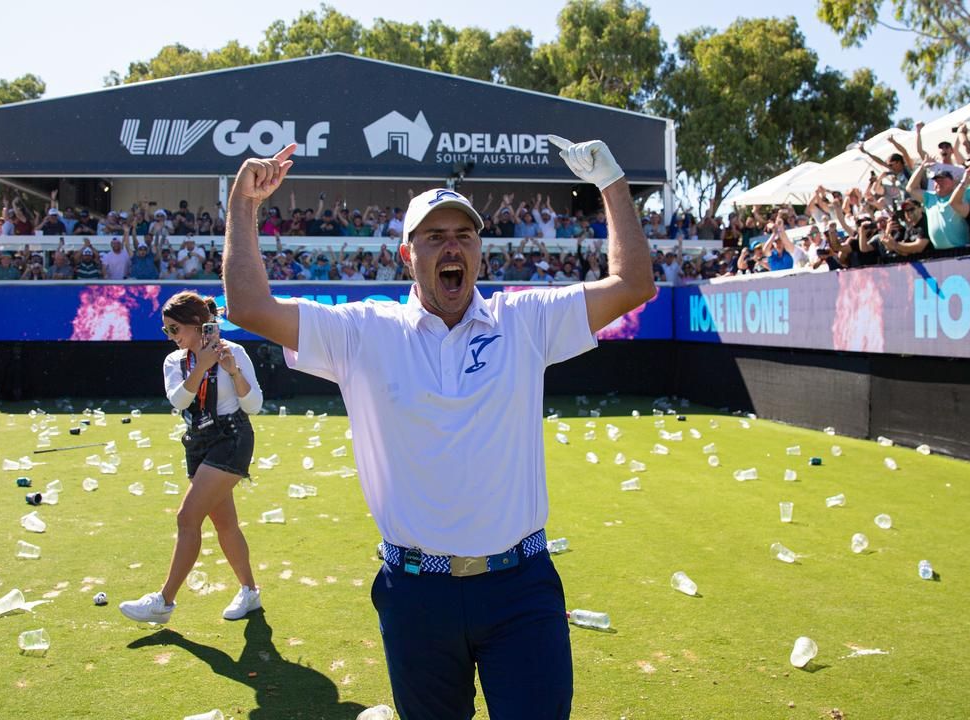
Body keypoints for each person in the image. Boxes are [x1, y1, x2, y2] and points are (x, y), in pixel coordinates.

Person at [221, 136, 654, 719]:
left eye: (465, 235)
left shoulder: (524, 321)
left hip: (520, 586)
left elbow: (634, 285)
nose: (453, 247)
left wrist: (612, 181)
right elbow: (247, 306)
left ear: (480, 251)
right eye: (435, 237)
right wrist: (242, 205)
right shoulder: (363, 332)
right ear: (408, 255)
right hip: (416, 593)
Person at [119, 291, 264, 624]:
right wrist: (202, 365)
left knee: (187, 518)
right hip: (198, 442)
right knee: (226, 525)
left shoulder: (235, 351)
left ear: (197, 325)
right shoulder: (176, 361)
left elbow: (254, 405)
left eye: (174, 329)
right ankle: (250, 592)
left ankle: (164, 601)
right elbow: (180, 401)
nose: (171, 337)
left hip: (232, 437)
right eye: (167, 330)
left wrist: (231, 371)